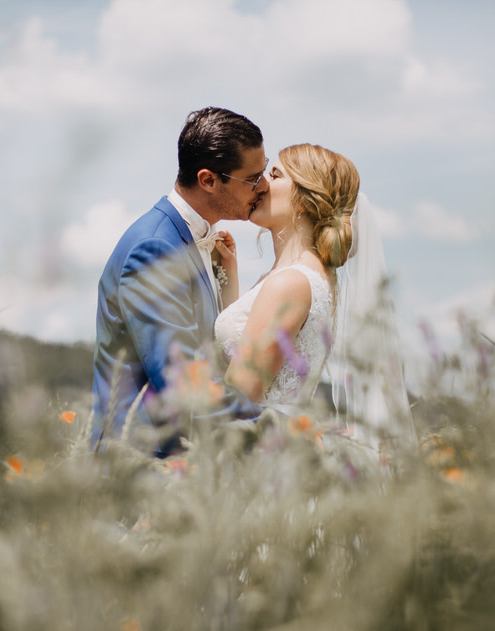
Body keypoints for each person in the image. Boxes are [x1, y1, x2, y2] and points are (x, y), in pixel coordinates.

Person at [214, 143, 416, 449]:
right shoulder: (304, 277)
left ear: (304, 200)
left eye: (275, 174)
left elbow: (239, 395)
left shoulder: (290, 284)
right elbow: (247, 349)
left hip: (259, 456)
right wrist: (230, 274)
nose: (261, 183)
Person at [91, 107, 267, 456]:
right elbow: (182, 381)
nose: (262, 188)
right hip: (141, 468)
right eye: (252, 178)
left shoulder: (193, 240)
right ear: (208, 180)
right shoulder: (155, 247)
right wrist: (275, 428)